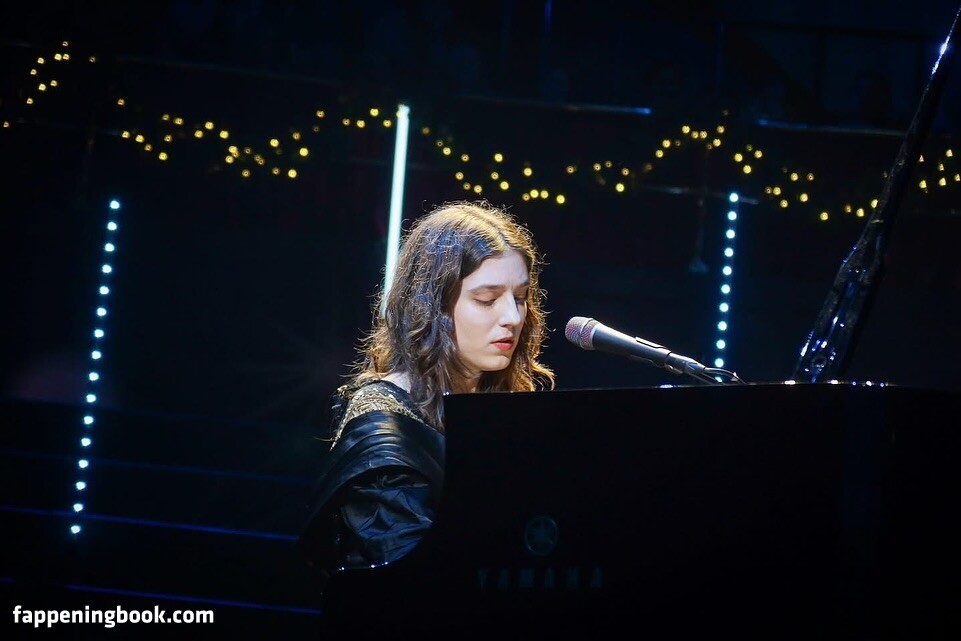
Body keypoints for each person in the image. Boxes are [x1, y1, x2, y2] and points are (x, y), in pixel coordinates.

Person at [297, 199, 555, 588]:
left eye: (519, 298)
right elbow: (416, 580)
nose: (513, 318)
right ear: (433, 306)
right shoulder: (381, 430)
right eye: (487, 300)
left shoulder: (493, 401)